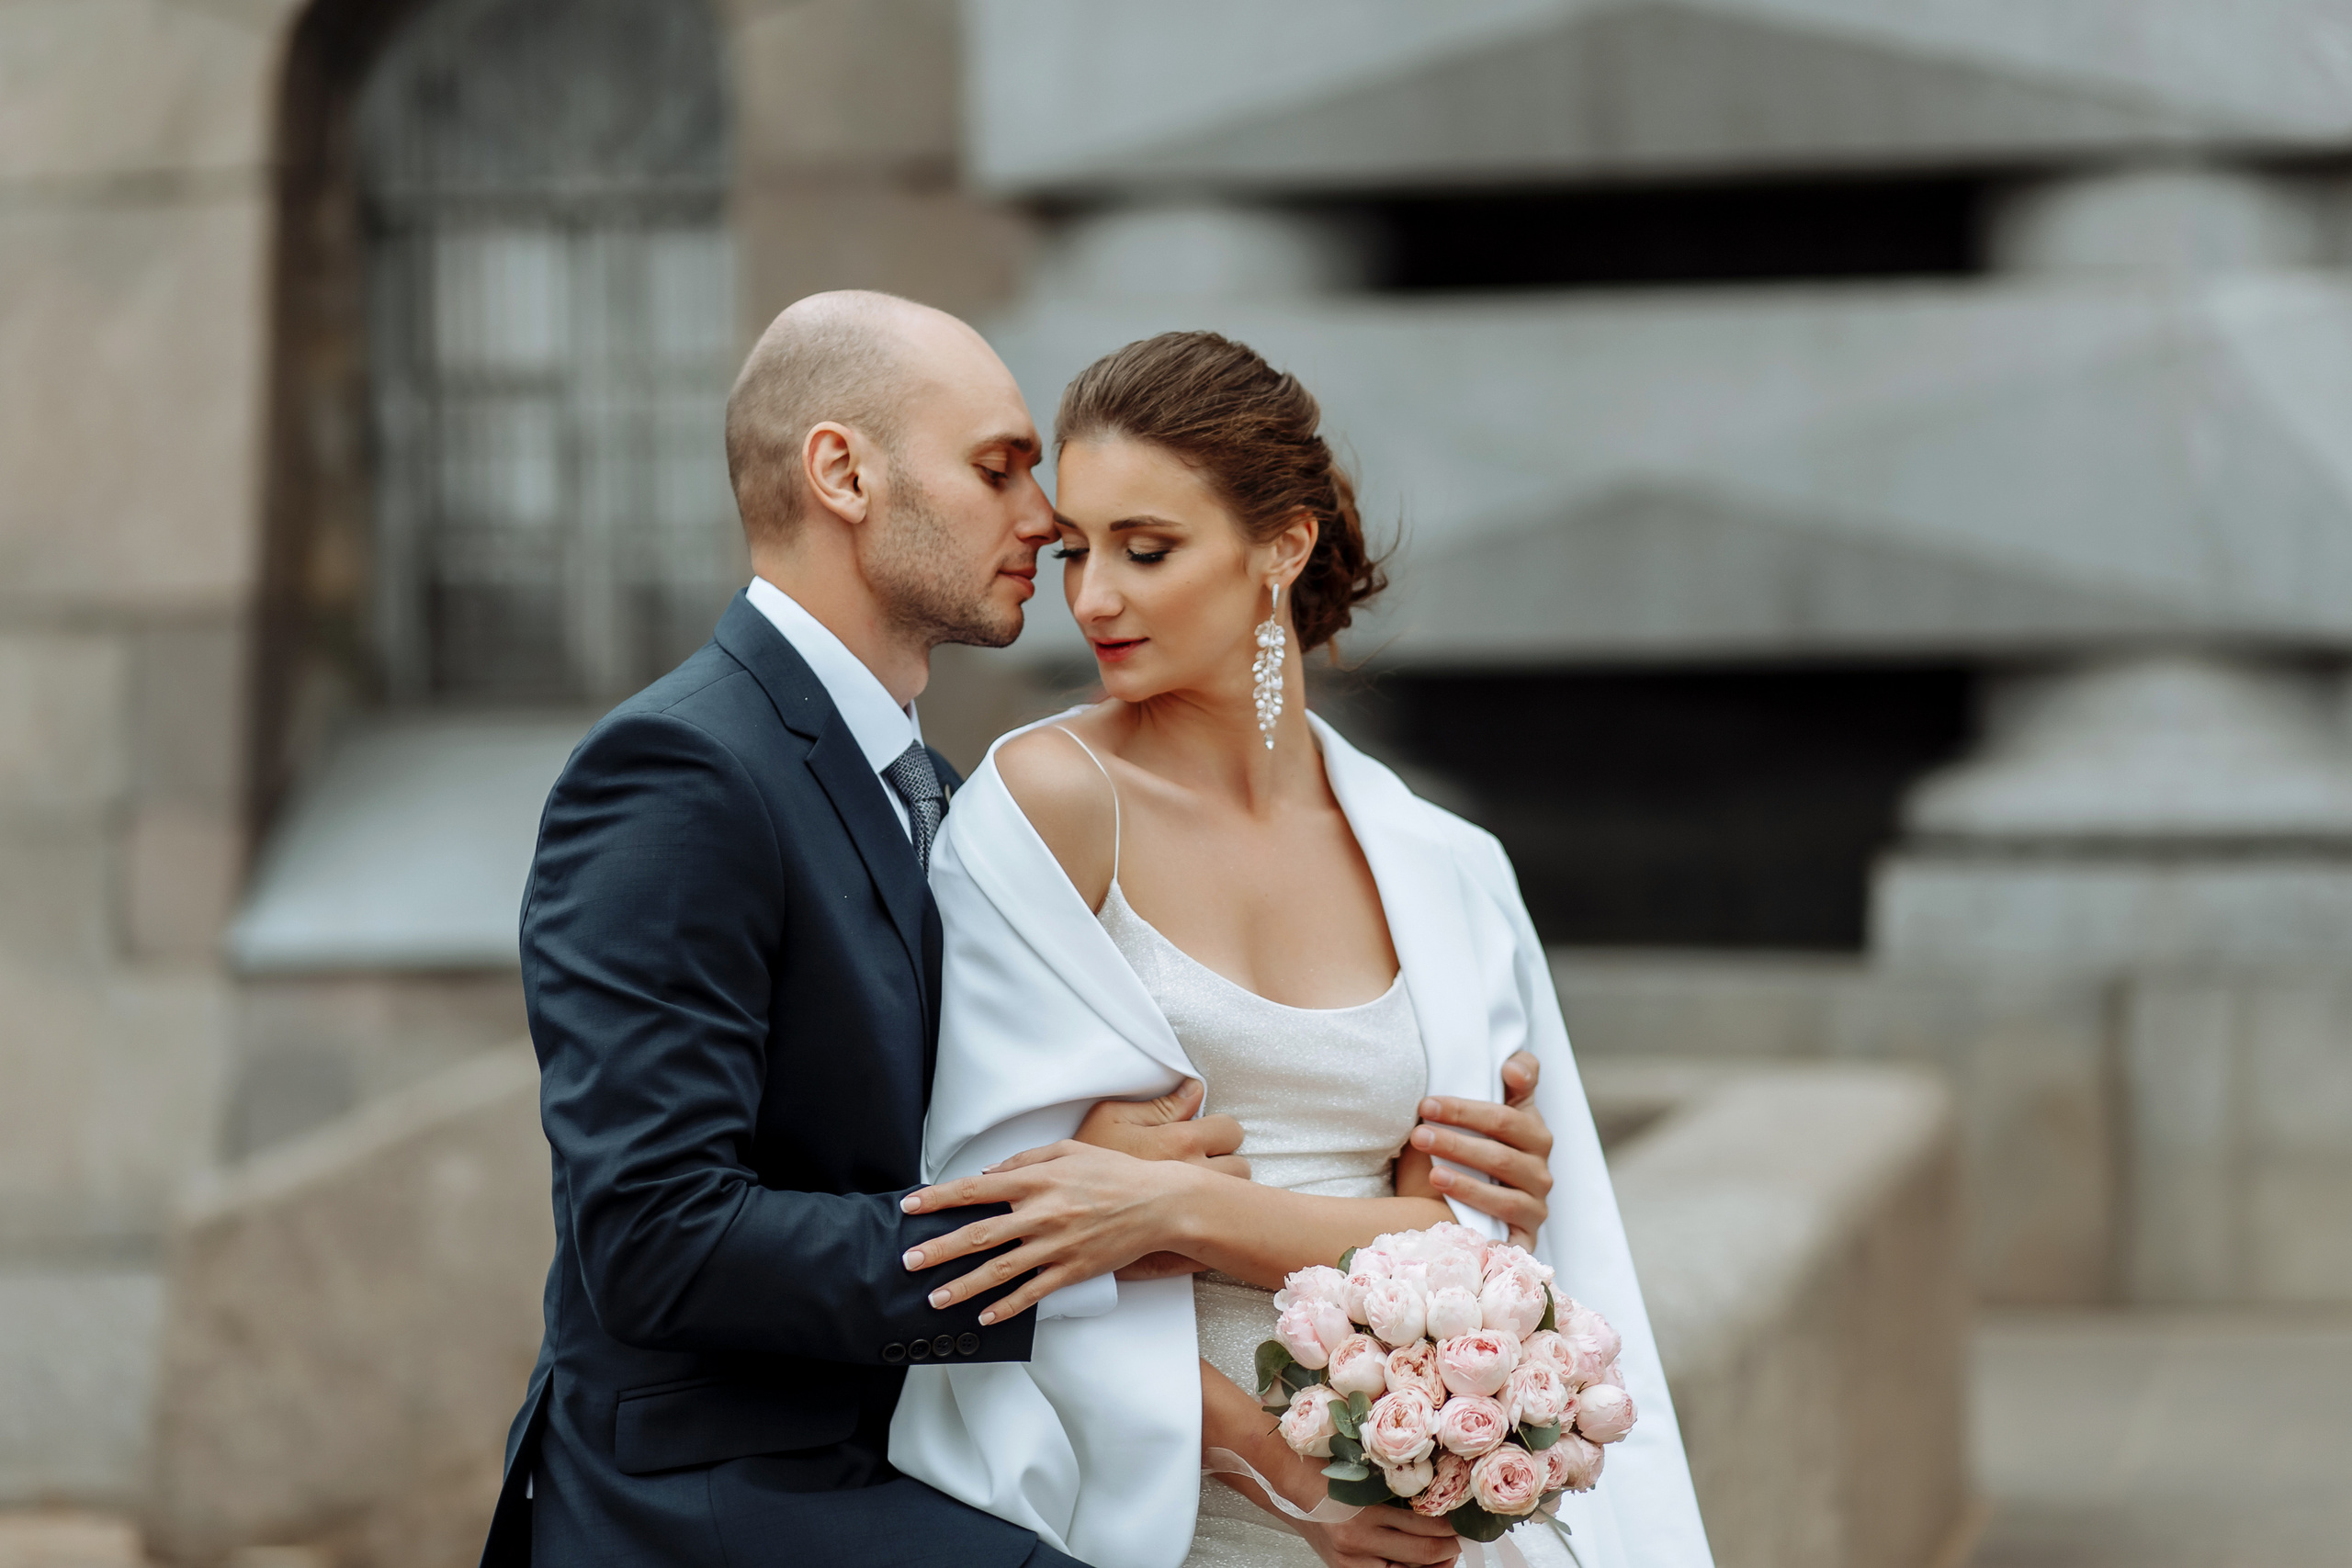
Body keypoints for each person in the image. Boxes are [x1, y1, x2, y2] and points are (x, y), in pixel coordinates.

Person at [480, 295, 1561, 1568]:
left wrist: (1472, 1202)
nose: (1045, 526)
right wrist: (1063, 1227)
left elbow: (955, 1106)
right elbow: (654, 1240)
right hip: (736, 1490)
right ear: (842, 473)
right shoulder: (677, 770)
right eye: (999, 469)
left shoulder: (928, 784)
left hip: (950, 1448)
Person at [885, 333, 1715, 1568]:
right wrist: (1290, 1475)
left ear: (1283, 546)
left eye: (1146, 549)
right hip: (1173, 1510)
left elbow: (1469, 1255)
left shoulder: (1442, 866)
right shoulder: (1046, 806)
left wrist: (1169, 1203)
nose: (1094, 598)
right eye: (1077, 552)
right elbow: (1015, 1238)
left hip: (1422, 1514)